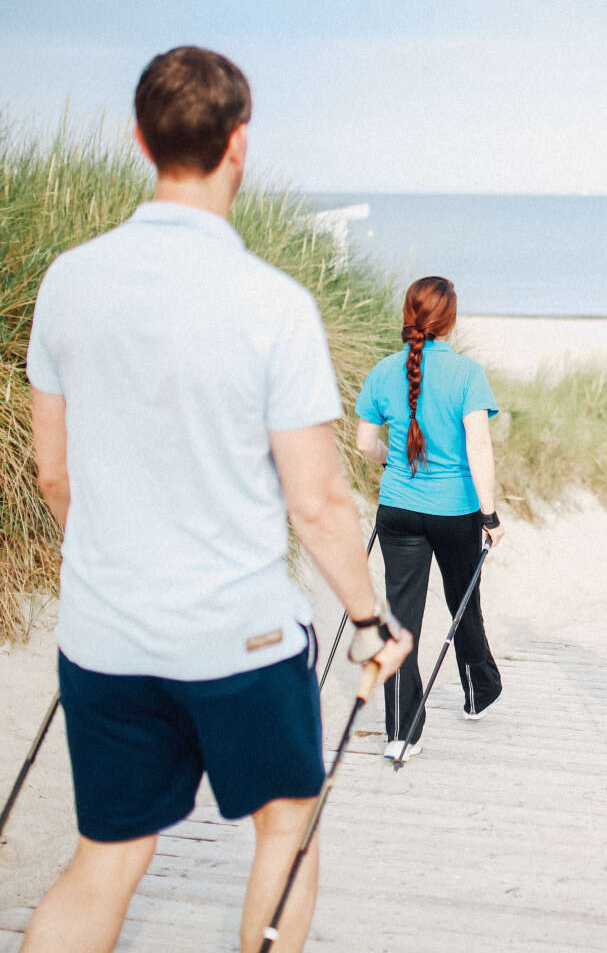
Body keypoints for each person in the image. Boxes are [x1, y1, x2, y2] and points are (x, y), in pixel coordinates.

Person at [23, 46, 412, 953]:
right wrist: (367, 619)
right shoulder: (271, 304)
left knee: (106, 858)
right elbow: (317, 502)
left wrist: (117, 562)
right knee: (288, 824)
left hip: (106, 629)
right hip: (240, 634)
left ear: (139, 140)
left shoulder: (68, 282)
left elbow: (53, 472)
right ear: (241, 144)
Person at [355, 276, 505, 761]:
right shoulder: (466, 374)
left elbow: (363, 444)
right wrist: (490, 513)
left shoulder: (383, 371)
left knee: (401, 619)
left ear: (409, 314)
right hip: (455, 511)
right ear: (451, 319)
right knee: (463, 599)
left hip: (398, 509)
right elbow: (478, 447)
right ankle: (478, 691)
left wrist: (389, 461)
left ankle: (400, 732)